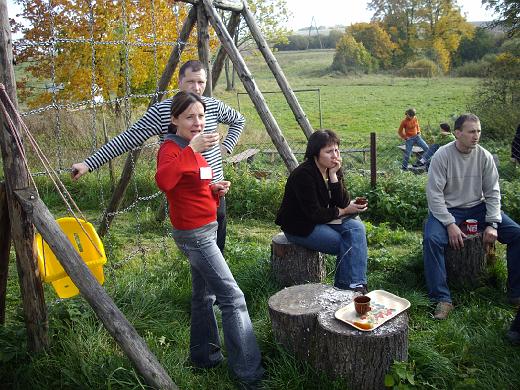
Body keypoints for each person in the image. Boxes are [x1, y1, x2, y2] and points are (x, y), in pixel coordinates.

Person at [71, 60, 244, 253]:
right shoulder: (164, 111)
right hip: (187, 198)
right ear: (179, 82)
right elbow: (129, 138)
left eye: (201, 82)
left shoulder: (212, 106)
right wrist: (89, 163)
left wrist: (225, 147)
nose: (196, 87)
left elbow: (238, 120)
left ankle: (212, 279)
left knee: (218, 248)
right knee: (202, 254)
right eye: (190, 81)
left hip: (215, 191)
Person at [155, 91, 264, 388]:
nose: (197, 122)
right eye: (190, 116)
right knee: (233, 298)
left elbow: (191, 185)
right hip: (194, 235)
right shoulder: (172, 148)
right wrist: (192, 148)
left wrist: (215, 190)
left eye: (201, 116)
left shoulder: (196, 147)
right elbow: (165, 181)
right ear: (175, 119)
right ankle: (250, 377)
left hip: (208, 227)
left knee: (204, 296)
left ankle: (204, 357)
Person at [423, 113, 520, 320]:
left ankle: (515, 293)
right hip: (448, 209)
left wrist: (493, 223)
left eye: (478, 131)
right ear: (457, 133)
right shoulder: (442, 155)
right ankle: (442, 298)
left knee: (517, 234)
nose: (476, 136)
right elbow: (434, 195)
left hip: (478, 207)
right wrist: (449, 223)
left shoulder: (484, 156)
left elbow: (493, 192)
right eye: (471, 131)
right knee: (431, 239)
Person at [275, 129, 369, 293]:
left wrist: (333, 176)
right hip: (300, 225)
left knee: (357, 228)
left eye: (336, 149)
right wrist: (345, 210)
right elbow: (314, 214)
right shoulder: (303, 175)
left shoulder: (333, 167)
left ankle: (350, 286)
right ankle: (348, 288)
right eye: (329, 151)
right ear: (315, 154)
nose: (335, 155)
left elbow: (342, 201)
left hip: (325, 218)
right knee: (347, 244)